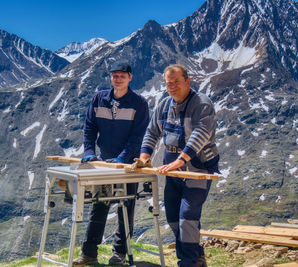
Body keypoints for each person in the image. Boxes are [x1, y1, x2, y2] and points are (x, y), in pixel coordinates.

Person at [134, 64, 219, 267]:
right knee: (173, 216)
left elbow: (201, 133)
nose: (172, 87)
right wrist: (144, 157)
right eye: (168, 83)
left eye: (176, 82)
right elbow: (152, 132)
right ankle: (196, 257)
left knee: (187, 216)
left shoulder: (202, 104)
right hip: (172, 169)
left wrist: (181, 160)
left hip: (199, 167)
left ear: (188, 81)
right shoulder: (164, 105)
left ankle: (188, 262)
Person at [73, 61, 149, 266]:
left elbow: (137, 136)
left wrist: (123, 158)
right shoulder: (99, 99)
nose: (118, 78)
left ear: (130, 78)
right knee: (99, 205)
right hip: (104, 163)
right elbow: (89, 128)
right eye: (115, 75)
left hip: (128, 166)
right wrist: (90, 152)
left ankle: (119, 255)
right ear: (111, 77)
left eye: (122, 75)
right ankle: (89, 254)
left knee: (126, 206)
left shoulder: (139, 103)